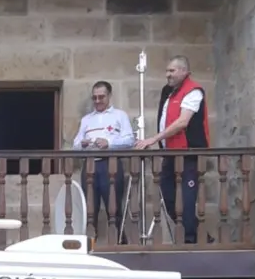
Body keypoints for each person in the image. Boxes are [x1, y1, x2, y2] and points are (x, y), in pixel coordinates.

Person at [134, 55, 210, 244]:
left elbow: (182, 122)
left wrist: (154, 139)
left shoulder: (193, 91)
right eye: (167, 70)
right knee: (169, 200)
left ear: (184, 71)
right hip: (170, 155)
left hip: (188, 155)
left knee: (186, 202)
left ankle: (191, 241)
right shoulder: (168, 92)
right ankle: (199, 236)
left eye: (172, 70)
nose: (167, 74)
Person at [72, 81, 134, 240]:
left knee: (114, 208)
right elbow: (75, 144)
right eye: (94, 98)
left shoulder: (120, 115)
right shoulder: (86, 119)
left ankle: (120, 243)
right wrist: (82, 144)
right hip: (90, 165)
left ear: (109, 96)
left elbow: (129, 140)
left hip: (110, 165)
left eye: (101, 97)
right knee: (89, 209)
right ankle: (90, 244)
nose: (97, 101)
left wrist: (109, 143)